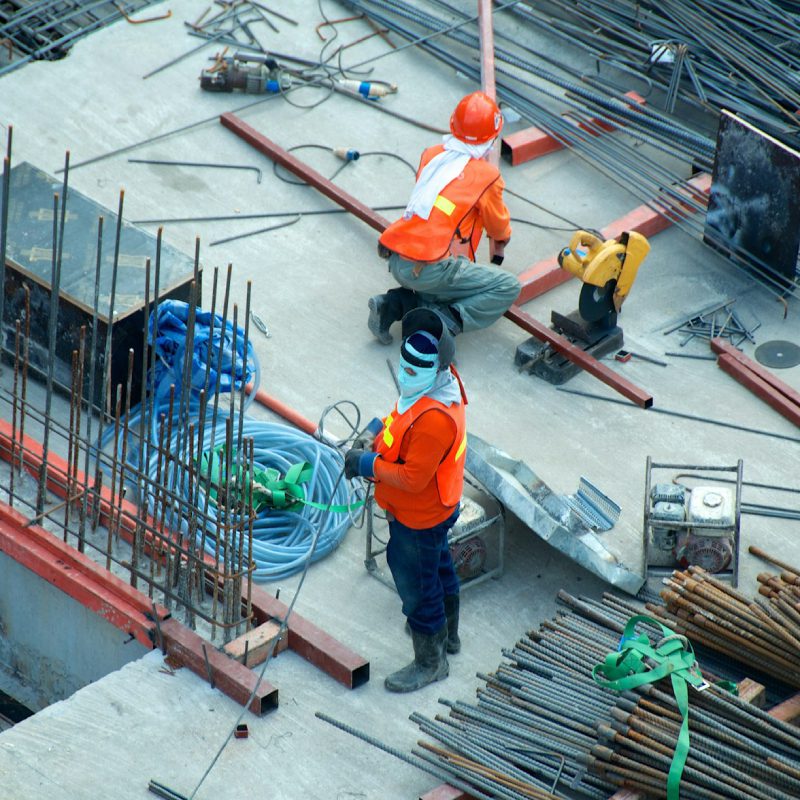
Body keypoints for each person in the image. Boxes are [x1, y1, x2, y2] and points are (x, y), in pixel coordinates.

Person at [345, 308, 467, 692]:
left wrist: (368, 463)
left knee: (418, 587)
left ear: (437, 367)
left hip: (420, 515)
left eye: (416, 370)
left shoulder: (435, 419)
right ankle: (448, 636)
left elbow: (414, 479)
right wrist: (375, 434)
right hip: (436, 509)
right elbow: (401, 418)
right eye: (405, 366)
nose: (407, 375)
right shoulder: (435, 387)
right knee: (439, 567)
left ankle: (431, 662)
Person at [368, 90, 521, 345]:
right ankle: (443, 322)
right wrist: (502, 239)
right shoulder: (487, 176)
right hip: (430, 268)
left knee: (442, 282)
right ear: (492, 139)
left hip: (397, 257)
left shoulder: (432, 155)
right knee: (507, 286)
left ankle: (391, 306)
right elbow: (497, 227)